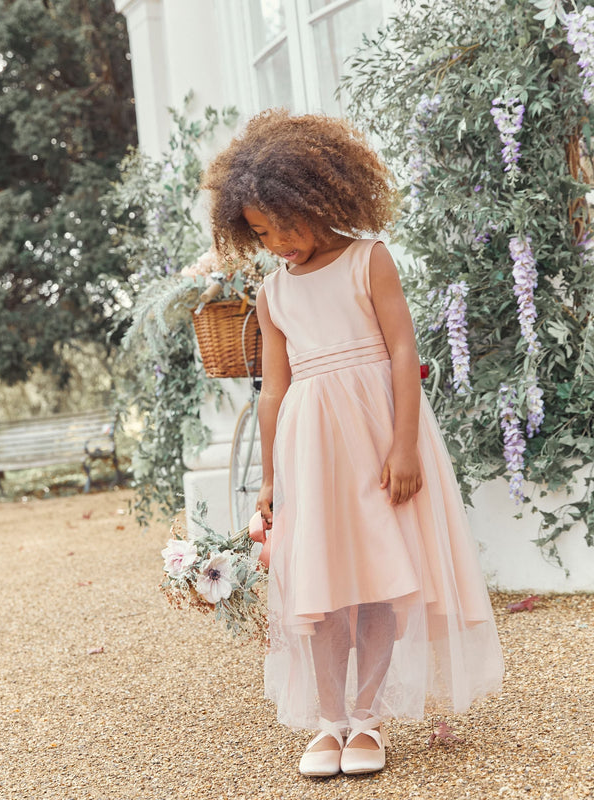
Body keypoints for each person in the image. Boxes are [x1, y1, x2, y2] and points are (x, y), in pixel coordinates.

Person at [203, 109, 504, 778]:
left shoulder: (371, 260)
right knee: (323, 585)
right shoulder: (273, 290)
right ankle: (329, 720)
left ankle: (367, 720)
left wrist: (404, 448)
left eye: (287, 224)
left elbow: (403, 352)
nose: (277, 241)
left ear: (322, 198)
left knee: (379, 583)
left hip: (378, 438)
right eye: (260, 233)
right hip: (312, 451)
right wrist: (275, 478)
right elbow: (273, 391)